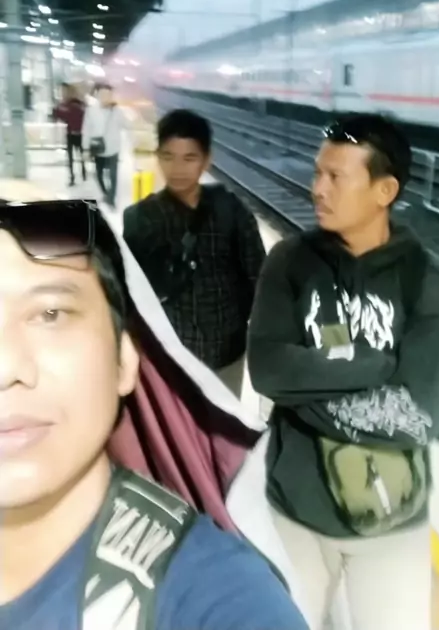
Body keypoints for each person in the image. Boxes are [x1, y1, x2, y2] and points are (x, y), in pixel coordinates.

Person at [0, 193, 308, 630]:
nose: (5, 366)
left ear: (126, 359)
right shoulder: (142, 216)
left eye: (51, 313)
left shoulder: (218, 597)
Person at [248, 113, 439, 630]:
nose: (317, 188)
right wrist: (373, 366)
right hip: (294, 510)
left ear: (384, 190)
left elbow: (416, 417)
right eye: (317, 173)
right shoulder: (289, 262)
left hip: (392, 520)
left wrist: (304, 389)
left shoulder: (432, 283)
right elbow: (267, 371)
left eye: (336, 176)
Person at [123, 109, 265, 398]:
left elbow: (258, 275)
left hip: (226, 354)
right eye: (168, 156)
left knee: (223, 422)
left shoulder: (230, 210)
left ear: (206, 160)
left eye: (189, 158)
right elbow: (129, 291)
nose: (178, 168)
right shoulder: (140, 219)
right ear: (157, 156)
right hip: (167, 357)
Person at [82, 83, 122, 207]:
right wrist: (85, 148)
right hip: (98, 148)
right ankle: (105, 194)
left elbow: (126, 124)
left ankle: (111, 199)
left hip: (113, 148)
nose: (105, 97)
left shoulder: (116, 110)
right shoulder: (91, 110)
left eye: (108, 94)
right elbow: (86, 129)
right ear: (98, 95)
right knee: (98, 174)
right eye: (102, 94)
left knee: (113, 175)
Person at [51, 82, 86, 186]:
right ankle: (75, 175)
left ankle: (79, 174)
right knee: (74, 156)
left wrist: (57, 111)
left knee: (77, 156)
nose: (62, 94)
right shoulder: (67, 105)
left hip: (79, 134)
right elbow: (60, 116)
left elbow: (65, 116)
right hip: (72, 134)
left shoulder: (75, 105)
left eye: (64, 91)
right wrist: (56, 111)